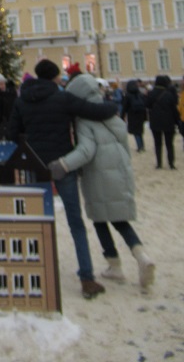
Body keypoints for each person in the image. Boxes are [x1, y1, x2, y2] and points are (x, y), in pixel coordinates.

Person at [6, 58, 118, 299]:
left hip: (34, 165)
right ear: (55, 77)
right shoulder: (62, 97)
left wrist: (28, 149)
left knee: (34, 220)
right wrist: (113, 107)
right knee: (75, 221)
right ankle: (87, 278)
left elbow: (12, 133)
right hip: (62, 165)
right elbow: (94, 112)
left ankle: (34, 273)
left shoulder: (22, 99)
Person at [48, 73, 155, 292]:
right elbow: (124, 144)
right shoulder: (112, 115)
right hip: (120, 171)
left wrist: (63, 165)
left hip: (99, 175)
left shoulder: (85, 121)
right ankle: (140, 255)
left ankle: (114, 264)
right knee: (120, 219)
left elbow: (86, 151)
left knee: (100, 220)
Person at [146, 75, 181, 169]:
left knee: (157, 144)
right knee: (169, 144)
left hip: (155, 121)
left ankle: (159, 163)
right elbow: (174, 109)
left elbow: (147, 105)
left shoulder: (151, 93)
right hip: (168, 121)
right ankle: (171, 163)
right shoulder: (169, 94)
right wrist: (178, 122)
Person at [122, 79, 147, 152]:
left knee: (135, 132)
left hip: (132, 115)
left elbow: (125, 107)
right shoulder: (140, 94)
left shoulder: (128, 95)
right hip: (141, 115)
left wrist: (122, 116)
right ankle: (142, 146)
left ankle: (139, 147)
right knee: (140, 131)